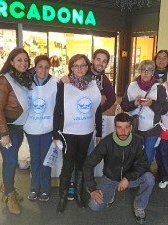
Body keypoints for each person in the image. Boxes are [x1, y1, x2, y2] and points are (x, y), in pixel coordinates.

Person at [62, 49, 116, 200]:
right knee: (72, 158)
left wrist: (96, 111)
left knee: (87, 158)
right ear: (92, 60)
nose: (101, 63)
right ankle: (72, 185)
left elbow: (111, 99)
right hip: (72, 127)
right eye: (98, 59)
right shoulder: (80, 73)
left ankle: (83, 184)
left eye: (104, 61)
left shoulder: (104, 80)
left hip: (89, 127)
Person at [84, 113, 155, 225]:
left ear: (131, 128)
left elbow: (144, 164)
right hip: (110, 179)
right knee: (94, 206)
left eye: (126, 127)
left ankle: (140, 206)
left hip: (129, 179)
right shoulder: (106, 142)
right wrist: (92, 189)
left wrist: (127, 178)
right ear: (114, 128)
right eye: (119, 127)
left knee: (149, 178)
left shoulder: (137, 141)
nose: (123, 131)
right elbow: (88, 164)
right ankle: (111, 193)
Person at [53, 54, 102, 213]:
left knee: (82, 164)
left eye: (83, 65)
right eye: (76, 65)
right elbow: (57, 109)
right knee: (68, 164)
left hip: (86, 131)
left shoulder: (93, 85)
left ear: (88, 67)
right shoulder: (64, 84)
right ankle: (62, 196)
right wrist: (55, 133)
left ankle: (80, 195)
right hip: (68, 131)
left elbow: (97, 109)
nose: (80, 69)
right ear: (71, 68)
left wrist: (99, 132)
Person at [0, 48, 32, 214]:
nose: (23, 63)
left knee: (9, 159)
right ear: (11, 62)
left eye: (26, 60)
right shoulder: (4, 81)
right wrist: (4, 134)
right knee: (12, 160)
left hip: (17, 127)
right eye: (19, 60)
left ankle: (6, 184)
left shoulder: (22, 79)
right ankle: (9, 195)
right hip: (3, 127)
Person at [120, 60, 168, 167]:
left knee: (148, 155)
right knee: (135, 154)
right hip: (135, 127)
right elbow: (123, 106)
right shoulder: (131, 86)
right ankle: (134, 177)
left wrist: (152, 104)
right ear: (139, 71)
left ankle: (145, 178)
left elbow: (164, 109)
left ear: (153, 72)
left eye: (150, 70)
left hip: (152, 129)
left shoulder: (159, 88)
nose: (146, 73)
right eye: (144, 70)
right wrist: (134, 103)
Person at [23, 55, 57, 202]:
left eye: (46, 67)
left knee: (46, 160)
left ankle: (45, 189)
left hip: (48, 129)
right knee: (35, 158)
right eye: (40, 66)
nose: (43, 70)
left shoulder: (55, 83)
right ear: (34, 67)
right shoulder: (26, 82)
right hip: (31, 128)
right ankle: (34, 187)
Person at [153, 50, 168, 181]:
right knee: (150, 143)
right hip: (151, 113)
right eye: (159, 57)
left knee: (164, 146)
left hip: (167, 114)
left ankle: (162, 169)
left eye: (164, 58)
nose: (161, 60)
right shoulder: (149, 73)